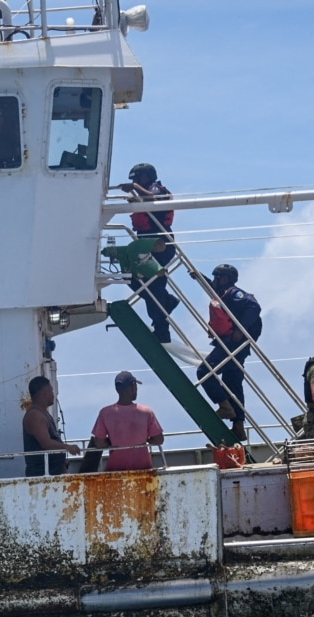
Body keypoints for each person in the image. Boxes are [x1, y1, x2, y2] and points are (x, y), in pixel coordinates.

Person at [196, 263, 262, 441]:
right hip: (232, 344)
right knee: (232, 382)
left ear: (224, 279)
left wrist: (241, 330)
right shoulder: (224, 294)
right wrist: (199, 277)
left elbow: (253, 307)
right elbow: (213, 289)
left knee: (204, 372)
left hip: (233, 343)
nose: (215, 281)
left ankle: (225, 406)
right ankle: (238, 425)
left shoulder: (235, 294)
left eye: (217, 278)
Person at [118, 163, 179, 343]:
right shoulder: (145, 194)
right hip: (145, 245)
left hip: (160, 244)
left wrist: (135, 190)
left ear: (148, 176)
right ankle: (167, 302)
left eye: (138, 179)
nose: (136, 182)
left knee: (154, 287)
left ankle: (162, 330)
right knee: (134, 278)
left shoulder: (158, 189)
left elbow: (155, 199)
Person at [90, 371, 164, 471]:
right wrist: (145, 439)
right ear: (133, 386)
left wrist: (111, 441)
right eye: (136, 387)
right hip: (143, 469)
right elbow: (159, 439)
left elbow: (99, 443)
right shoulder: (146, 411)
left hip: (115, 470)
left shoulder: (105, 413)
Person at [22, 375, 80, 477]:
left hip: (53, 475)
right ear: (44, 393)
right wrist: (67, 447)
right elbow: (46, 444)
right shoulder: (35, 415)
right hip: (41, 477)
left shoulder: (43, 413)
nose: (53, 394)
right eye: (51, 390)